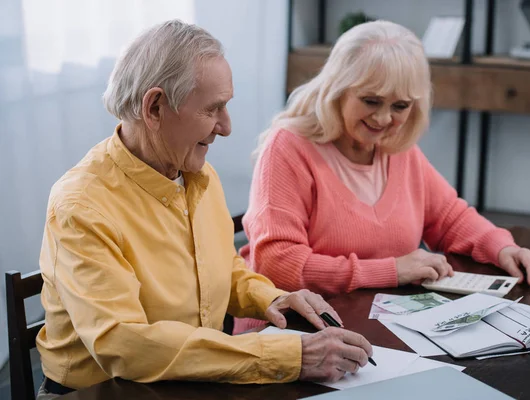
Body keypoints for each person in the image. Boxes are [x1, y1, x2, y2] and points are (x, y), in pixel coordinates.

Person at [35, 20, 373, 399]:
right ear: (155, 107)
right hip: (104, 392)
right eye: (213, 109)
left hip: (190, 382)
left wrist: (272, 298)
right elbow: (123, 344)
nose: (226, 127)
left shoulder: (198, 174)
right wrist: (289, 355)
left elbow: (220, 269)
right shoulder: (81, 205)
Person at [239, 20, 530, 308]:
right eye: (371, 101)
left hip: (378, 317)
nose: (384, 119)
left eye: (400, 106)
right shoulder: (289, 148)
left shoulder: (396, 148)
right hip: (292, 330)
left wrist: (503, 248)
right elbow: (277, 264)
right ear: (338, 89)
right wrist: (390, 271)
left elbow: (449, 218)